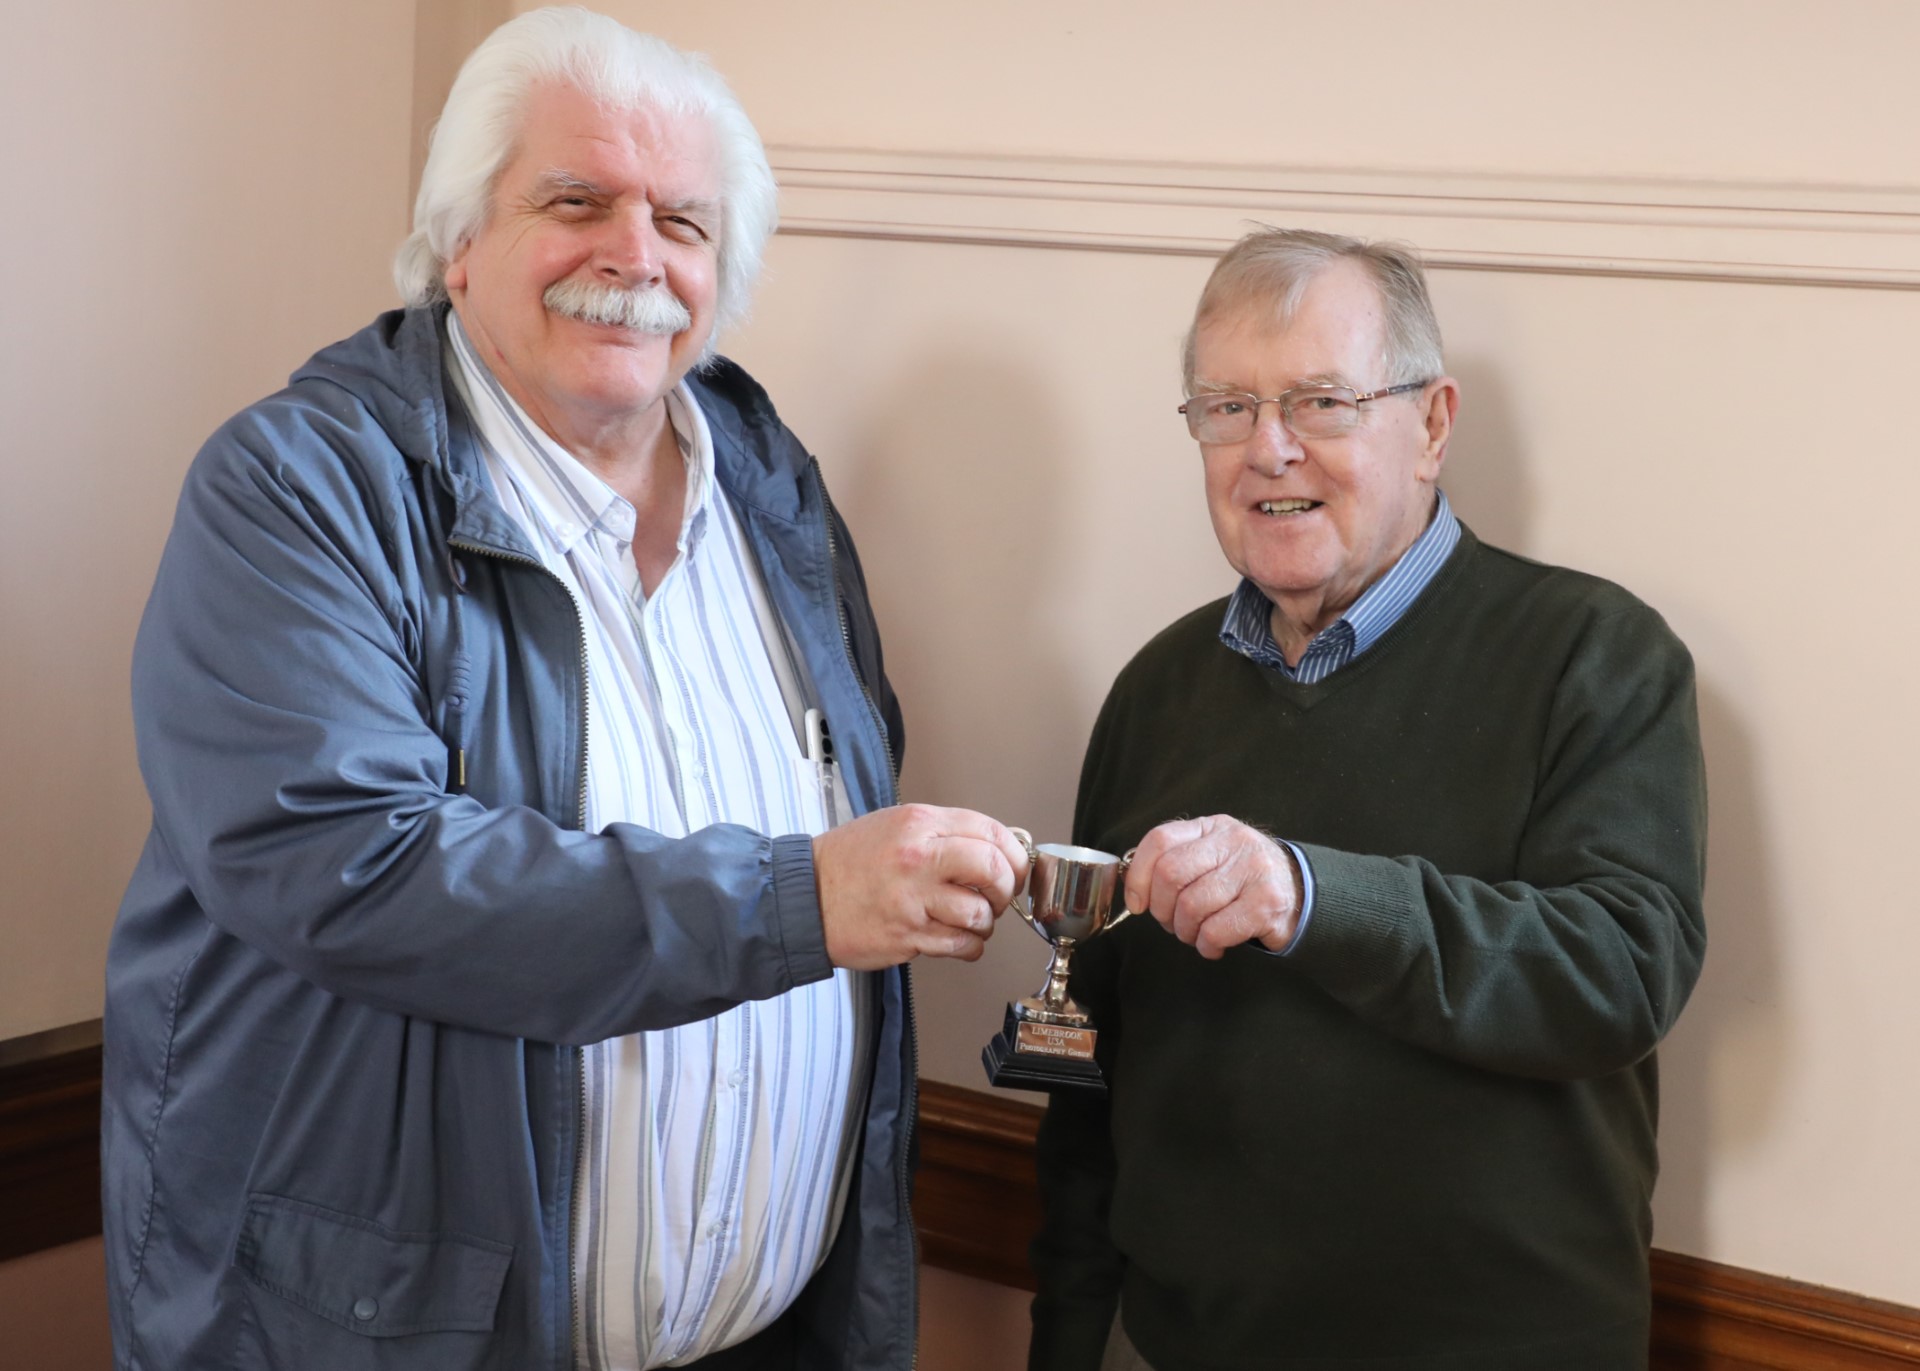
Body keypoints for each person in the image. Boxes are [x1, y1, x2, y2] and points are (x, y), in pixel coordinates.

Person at [101, 10, 1028, 1370]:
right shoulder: (298, 490)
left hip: (768, 1335)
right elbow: (357, 864)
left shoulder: (773, 491)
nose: (637, 255)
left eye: (685, 222)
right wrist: (803, 897)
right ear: (459, 239)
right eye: (577, 198)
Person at [1028, 229, 1707, 1371]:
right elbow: (1090, 1073)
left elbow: (1621, 972)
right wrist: (1063, 1345)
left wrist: (1307, 896)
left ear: (1432, 425)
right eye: (1226, 408)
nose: (1269, 450)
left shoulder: (1597, 655)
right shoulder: (1156, 689)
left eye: (1322, 403)